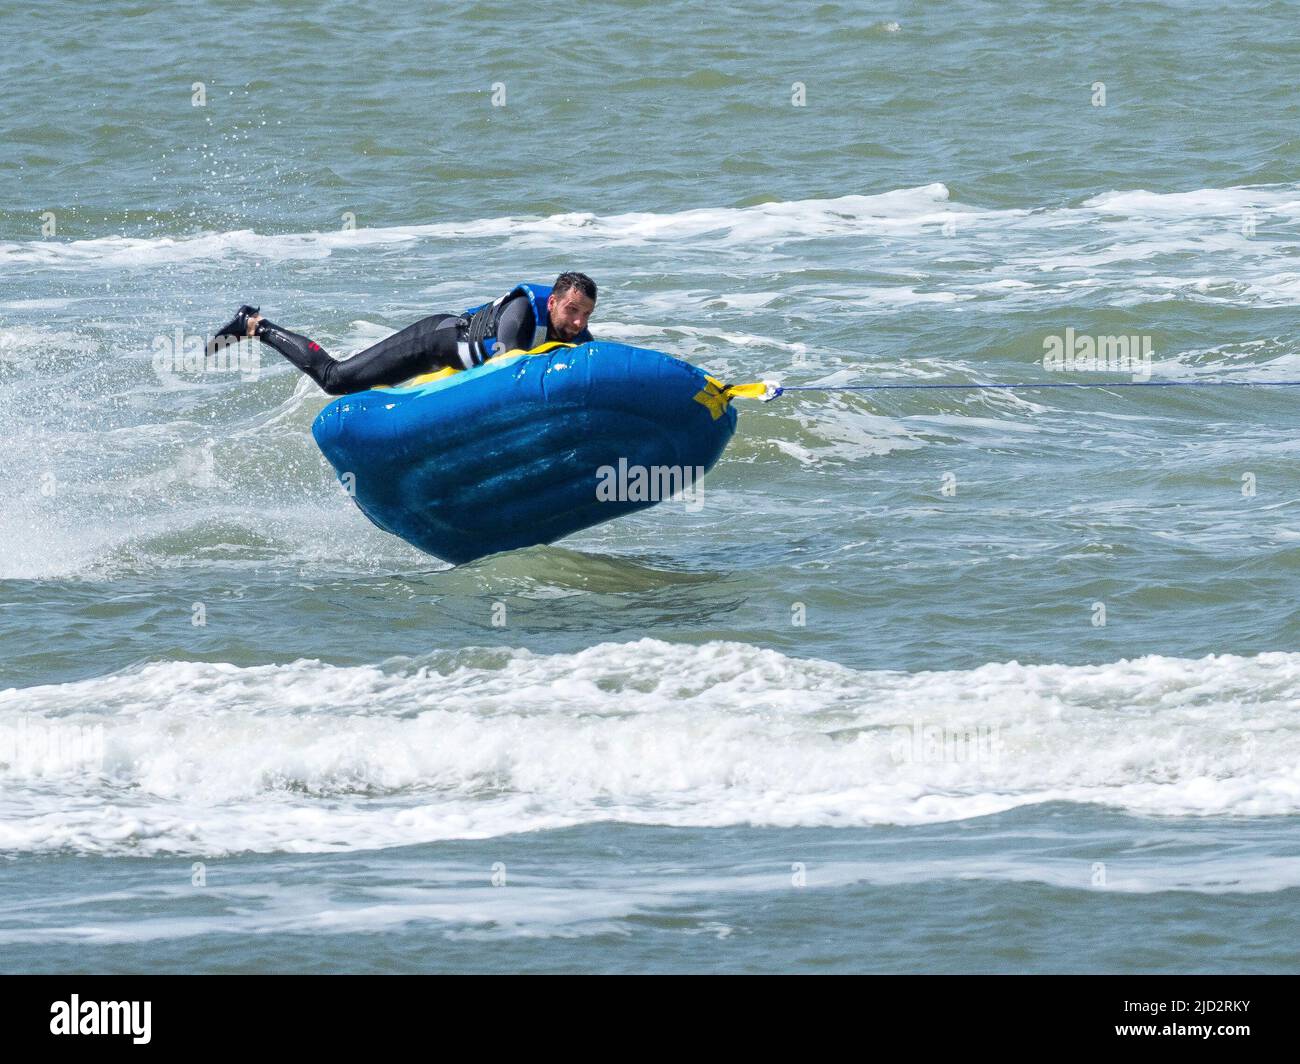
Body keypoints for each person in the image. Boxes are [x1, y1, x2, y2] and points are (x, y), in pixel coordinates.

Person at [210, 272, 597, 395]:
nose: (578, 322)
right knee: (336, 379)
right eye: (572, 310)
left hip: (451, 364)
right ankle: (254, 325)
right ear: (552, 303)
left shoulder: (576, 333)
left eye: (585, 315)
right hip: (430, 342)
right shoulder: (521, 314)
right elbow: (507, 370)